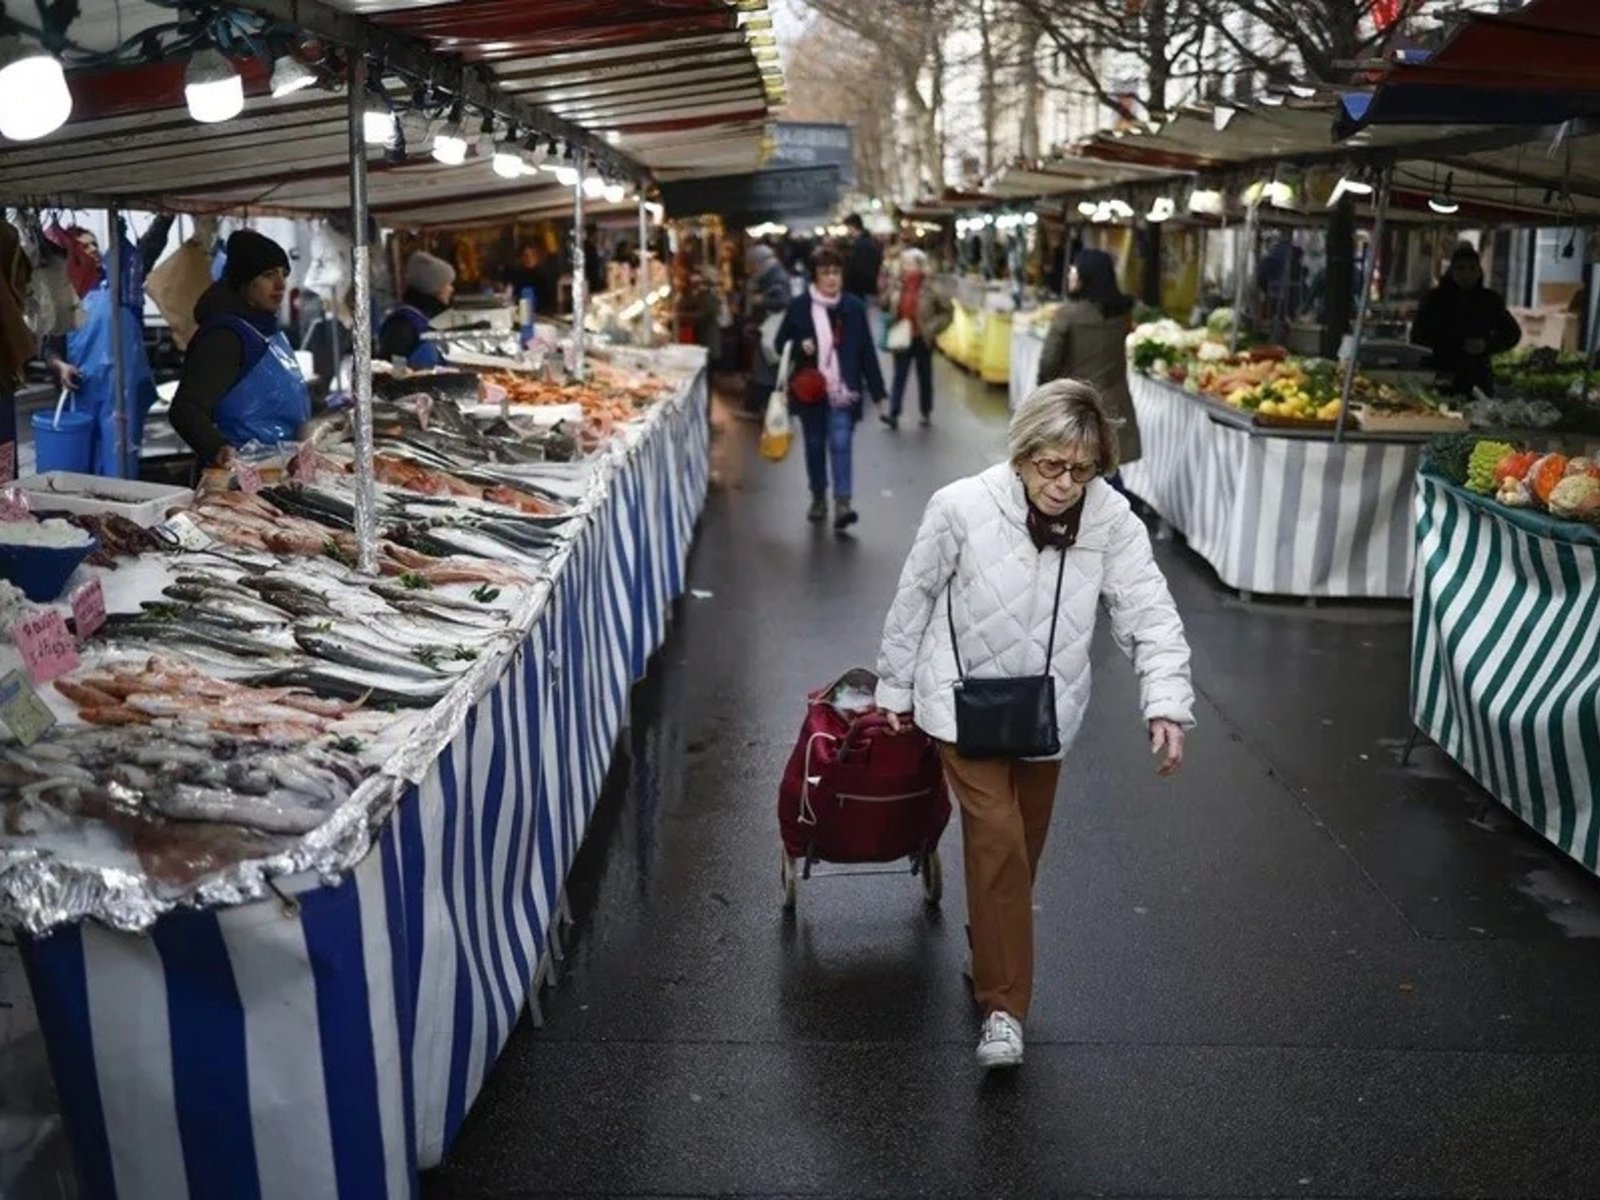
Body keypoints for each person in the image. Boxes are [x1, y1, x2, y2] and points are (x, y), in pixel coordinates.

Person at [874, 379, 1193, 1070]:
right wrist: (895, 689)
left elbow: (1147, 607)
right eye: (1051, 465)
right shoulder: (959, 507)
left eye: (1081, 470)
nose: (1064, 484)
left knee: (1020, 855)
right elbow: (915, 596)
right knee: (998, 840)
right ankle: (1004, 1013)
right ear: (1021, 454)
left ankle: (990, 949)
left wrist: (1165, 699)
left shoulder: (1108, 518)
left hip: (1049, 715)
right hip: (961, 705)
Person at [45, 214, 174, 477]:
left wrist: (165, 219)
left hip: (123, 394)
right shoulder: (66, 296)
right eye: (84, 245)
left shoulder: (123, 283)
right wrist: (60, 366)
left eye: (95, 244)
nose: (93, 250)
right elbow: (50, 348)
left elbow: (147, 251)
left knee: (120, 464)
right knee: (84, 464)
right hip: (84, 392)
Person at [169, 229, 309, 467]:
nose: (280, 285)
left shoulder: (267, 330)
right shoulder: (225, 337)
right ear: (244, 283)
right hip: (242, 476)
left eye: (283, 274)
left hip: (282, 468)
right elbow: (185, 409)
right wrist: (217, 449)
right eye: (268, 275)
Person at [774, 245, 887, 531]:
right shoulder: (799, 307)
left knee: (841, 444)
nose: (831, 278)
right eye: (825, 273)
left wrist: (879, 394)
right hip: (810, 391)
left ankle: (843, 503)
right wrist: (800, 346)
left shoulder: (854, 308)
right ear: (815, 276)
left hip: (843, 391)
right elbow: (779, 344)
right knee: (814, 445)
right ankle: (818, 496)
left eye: (836, 272)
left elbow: (866, 353)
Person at [1037, 249, 1141, 471]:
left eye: (1074, 270)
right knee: (1107, 466)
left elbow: (1048, 361)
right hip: (1114, 402)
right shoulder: (1123, 313)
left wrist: (1045, 392)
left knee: (1076, 467)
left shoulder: (1068, 314)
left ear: (1087, 276)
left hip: (1077, 402)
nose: (1069, 275)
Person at [1410, 243, 1522, 397]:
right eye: (1460, 268)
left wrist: (1486, 345)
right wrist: (1452, 344)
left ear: (1479, 271)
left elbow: (1512, 333)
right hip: (1441, 375)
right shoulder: (1434, 300)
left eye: (1472, 268)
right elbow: (1418, 337)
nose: (1466, 274)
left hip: (1477, 377)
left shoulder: (1489, 301)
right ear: (1452, 271)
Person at [880, 249, 953, 429]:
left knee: (924, 376)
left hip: (922, 338)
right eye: (903, 263)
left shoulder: (932, 286)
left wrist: (932, 328)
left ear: (920, 265)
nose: (905, 267)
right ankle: (893, 414)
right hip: (902, 336)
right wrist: (890, 291)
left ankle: (925, 411)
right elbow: (883, 304)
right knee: (899, 376)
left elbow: (947, 312)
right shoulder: (898, 284)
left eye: (909, 263)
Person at [378, 251, 457, 368]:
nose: (451, 289)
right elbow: (396, 369)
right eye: (447, 284)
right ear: (433, 288)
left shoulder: (426, 318)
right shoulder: (401, 324)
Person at [742, 242, 792, 417]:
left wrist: (761, 300)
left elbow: (783, 300)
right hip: (769, 327)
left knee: (765, 368)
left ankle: (760, 407)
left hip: (771, 329)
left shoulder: (775, 275)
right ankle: (761, 406)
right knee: (765, 367)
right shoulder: (773, 272)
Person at [675, 268, 722, 362]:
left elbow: (705, 314)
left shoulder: (706, 295)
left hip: (706, 336)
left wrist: (681, 315)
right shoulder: (692, 294)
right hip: (700, 336)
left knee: (706, 362)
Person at [503, 241, 558, 316]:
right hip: (521, 314)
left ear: (538, 257)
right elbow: (509, 296)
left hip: (543, 314)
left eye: (533, 255)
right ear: (521, 258)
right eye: (525, 256)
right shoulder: (516, 276)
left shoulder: (545, 276)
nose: (529, 259)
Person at [842, 213, 883, 303]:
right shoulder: (870, 242)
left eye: (848, 228)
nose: (847, 232)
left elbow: (858, 267)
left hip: (860, 290)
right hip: (867, 289)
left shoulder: (860, 245)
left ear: (853, 227)